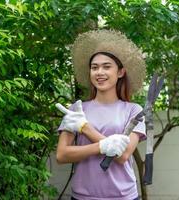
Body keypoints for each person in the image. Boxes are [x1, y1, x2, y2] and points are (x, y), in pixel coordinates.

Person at [55, 30, 146, 200]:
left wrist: (85, 129)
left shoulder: (134, 110)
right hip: (82, 196)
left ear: (120, 72)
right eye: (94, 67)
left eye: (106, 66)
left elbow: (123, 155)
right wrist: (102, 147)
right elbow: (61, 155)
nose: (99, 72)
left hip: (124, 196)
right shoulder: (77, 109)